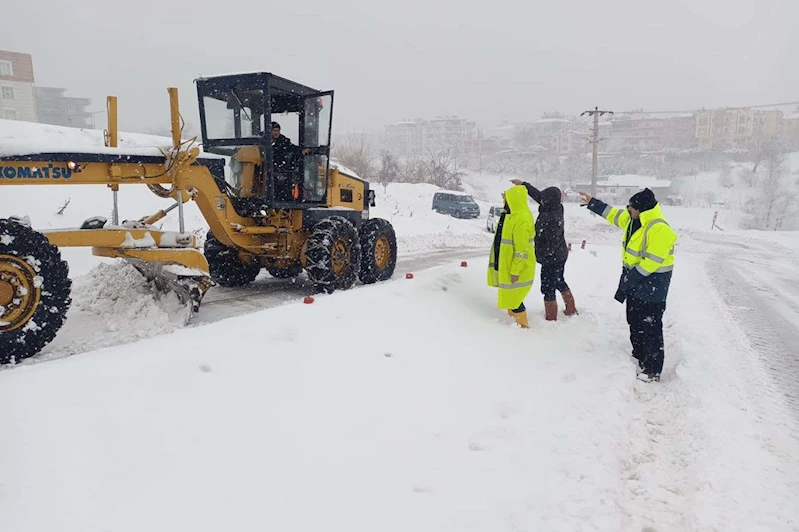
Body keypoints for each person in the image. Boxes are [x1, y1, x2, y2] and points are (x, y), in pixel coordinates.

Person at [579, 188, 677, 383]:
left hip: (653, 286)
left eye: (630, 207)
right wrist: (593, 203)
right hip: (635, 282)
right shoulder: (634, 220)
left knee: (651, 328)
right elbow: (614, 215)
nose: (627, 210)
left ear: (640, 209)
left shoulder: (659, 229)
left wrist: (629, 279)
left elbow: (651, 262)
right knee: (634, 320)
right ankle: (639, 355)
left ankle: (652, 369)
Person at [511, 179, 578, 320]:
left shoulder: (551, 218)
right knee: (559, 280)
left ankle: (551, 317)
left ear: (548, 201)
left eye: (544, 198)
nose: (541, 200)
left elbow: (551, 246)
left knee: (548, 287)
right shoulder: (556, 207)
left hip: (552, 258)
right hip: (560, 254)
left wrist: (537, 255)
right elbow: (538, 196)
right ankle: (571, 308)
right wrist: (524, 184)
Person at [487, 184, 537, 329]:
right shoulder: (513, 215)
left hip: (517, 267)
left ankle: (522, 326)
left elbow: (521, 249)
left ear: (514, 200)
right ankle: (512, 322)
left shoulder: (521, 219)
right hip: (508, 264)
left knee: (515, 299)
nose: (506, 202)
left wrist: (516, 271)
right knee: (511, 297)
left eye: (508, 199)